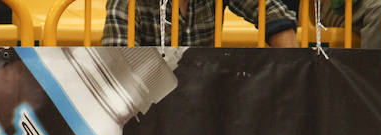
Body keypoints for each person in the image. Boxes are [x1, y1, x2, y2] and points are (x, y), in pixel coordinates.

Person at [102, 0, 299, 47]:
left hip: (206, 99)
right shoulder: (125, 3)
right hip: (150, 108)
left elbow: (273, 12)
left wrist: (290, 71)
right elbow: (118, 67)